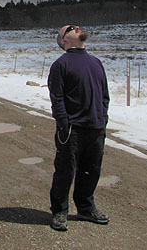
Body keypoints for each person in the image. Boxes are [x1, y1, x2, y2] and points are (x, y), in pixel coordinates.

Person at [47, 25, 110, 231]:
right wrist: (64, 124)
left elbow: (104, 95)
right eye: (71, 29)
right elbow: (57, 99)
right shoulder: (60, 65)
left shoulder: (96, 62)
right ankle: (59, 211)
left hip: (96, 127)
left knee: (91, 171)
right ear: (64, 41)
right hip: (72, 129)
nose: (77, 28)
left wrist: (103, 117)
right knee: (65, 172)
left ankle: (85, 208)